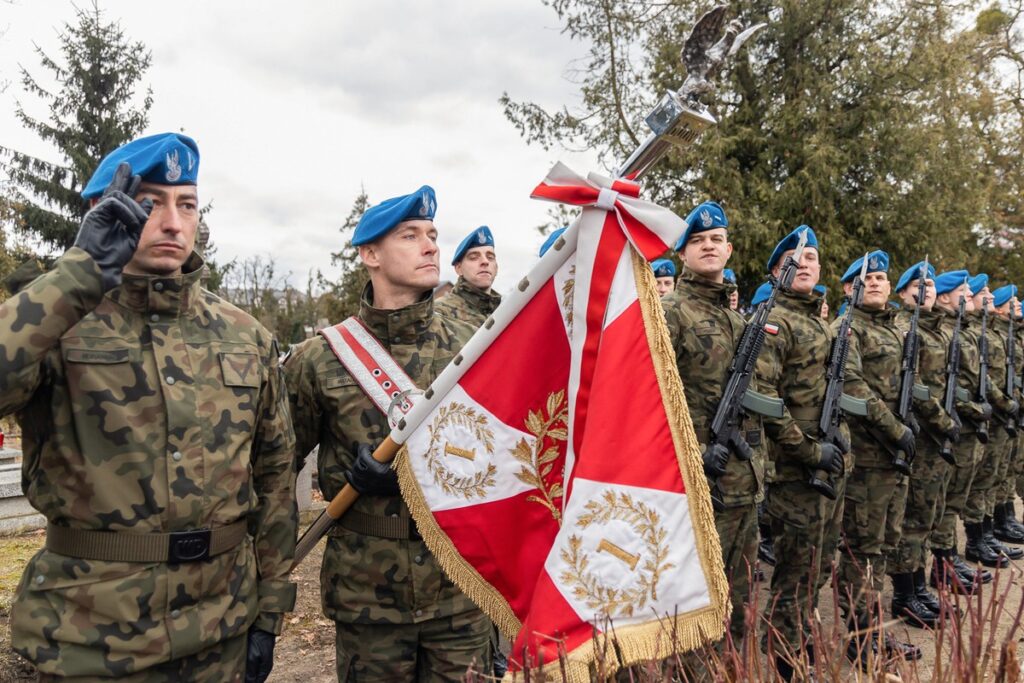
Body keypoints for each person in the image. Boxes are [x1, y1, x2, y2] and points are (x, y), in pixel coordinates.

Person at [2, 133, 297, 682]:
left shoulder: (245, 336)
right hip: (90, 636)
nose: (172, 222)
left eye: (186, 204)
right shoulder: (59, 316)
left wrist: (270, 610)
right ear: (103, 210)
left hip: (220, 630)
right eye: (149, 203)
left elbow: (275, 477)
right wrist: (78, 273)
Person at [284, 186, 491, 681]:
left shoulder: (476, 344)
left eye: (434, 235)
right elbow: (276, 466)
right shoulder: (322, 358)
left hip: (460, 587)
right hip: (367, 598)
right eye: (411, 235)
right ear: (370, 255)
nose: (431, 246)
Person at [662, 200, 766, 644]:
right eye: (698, 241)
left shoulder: (738, 319)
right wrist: (694, 453)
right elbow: (652, 399)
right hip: (699, 486)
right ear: (682, 253)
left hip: (746, 485)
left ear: (729, 250)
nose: (708, 246)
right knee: (696, 611)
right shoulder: (668, 312)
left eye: (716, 240)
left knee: (738, 608)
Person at [755, 226, 849, 680]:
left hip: (828, 466)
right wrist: (811, 452)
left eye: (812, 255)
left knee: (820, 564)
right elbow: (764, 401)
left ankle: (797, 637)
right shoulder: (775, 321)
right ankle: (783, 658)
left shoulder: (819, 322)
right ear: (778, 271)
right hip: (795, 473)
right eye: (795, 256)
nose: (806, 262)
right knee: (794, 573)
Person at [831, 251, 920, 664]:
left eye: (883, 277)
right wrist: (895, 429)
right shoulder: (847, 328)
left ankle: (875, 627)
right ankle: (860, 638)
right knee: (861, 551)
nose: (877, 283)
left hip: (894, 458)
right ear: (849, 288)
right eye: (868, 278)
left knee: (883, 547)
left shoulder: (896, 330)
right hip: (867, 458)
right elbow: (853, 388)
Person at [887, 262, 953, 626]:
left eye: (929, 285)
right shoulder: (903, 330)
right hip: (918, 435)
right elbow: (914, 387)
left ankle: (919, 587)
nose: (925, 290)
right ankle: (904, 594)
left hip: (934, 437)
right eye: (917, 286)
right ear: (902, 294)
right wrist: (943, 419)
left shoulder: (934, 328)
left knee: (928, 516)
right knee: (912, 519)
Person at [929, 271, 992, 591]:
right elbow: (946, 389)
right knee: (945, 501)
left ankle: (950, 563)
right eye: (963, 291)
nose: (971, 296)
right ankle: (942, 568)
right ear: (945, 297)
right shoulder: (944, 332)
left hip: (965, 426)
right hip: (952, 427)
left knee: (954, 500)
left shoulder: (962, 331)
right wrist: (976, 409)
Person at [960, 275, 1022, 565]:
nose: (987, 296)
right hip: (987, 414)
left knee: (998, 474)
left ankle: (993, 530)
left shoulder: (1000, 333)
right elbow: (982, 379)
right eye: (981, 291)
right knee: (982, 479)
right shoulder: (975, 333)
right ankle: (978, 539)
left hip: (1001, 413)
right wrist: (1004, 402)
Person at [991, 286, 1024, 543]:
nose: (1018, 305)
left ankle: (1005, 519)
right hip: (996, 414)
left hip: (1012, 410)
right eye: (1012, 302)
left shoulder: (1013, 336)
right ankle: (989, 530)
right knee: (991, 475)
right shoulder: (994, 336)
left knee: (1008, 469)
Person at [434, 226, 501, 325]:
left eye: (490, 257)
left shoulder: (506, 312)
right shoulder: (439, 313)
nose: (485, 261)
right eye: (474, 257)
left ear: (496, 268)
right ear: (459, 268)